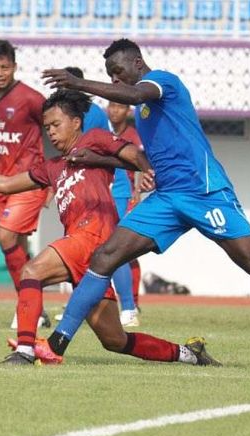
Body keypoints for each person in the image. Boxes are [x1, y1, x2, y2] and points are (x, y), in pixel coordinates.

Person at [40, 38, 250, 377]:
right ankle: (56, 345)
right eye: (110, 75)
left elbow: (133, 95)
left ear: (137, 62)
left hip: (205, 192)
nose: (116, 81)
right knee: (105, 256)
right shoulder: (144, 109)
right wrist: (100, 158)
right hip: (167, 198)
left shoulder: (162, 82)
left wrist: (78, 83)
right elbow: (152, 158)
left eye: (118, 72)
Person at [0, 89, 220, 367]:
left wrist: (147, 170)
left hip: (92, 237)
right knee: (115, 340)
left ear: (76, 122)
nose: (51, 132)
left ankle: (24, 351)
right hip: (85, 252)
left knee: (31, 270)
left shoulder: (93, 139)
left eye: (56, 124)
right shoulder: (52, 166)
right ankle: (188, 354)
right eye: (47, 127)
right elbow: (5, 183)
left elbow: (129, 152)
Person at [0, 39, 50, 329]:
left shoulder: (31, 98)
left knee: (4, 236)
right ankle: (36, 310)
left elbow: (58, 126)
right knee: (17, 244)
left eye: (4, 67)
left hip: (29, 181)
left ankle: (26, 306)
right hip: (2, 185)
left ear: (14, 67)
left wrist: (53, 178)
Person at [61, 66, 140, 327]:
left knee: (111, 248)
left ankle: (128, 307)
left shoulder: (89, 113)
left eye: (67, 87)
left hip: (109, 186)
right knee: (88, 247)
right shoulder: (79, 112)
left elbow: (88, 152)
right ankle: (82, 304)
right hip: (90, 187)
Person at [107, 100, 144, 324]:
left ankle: (131, 305)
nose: (114, 110)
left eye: (119, 107)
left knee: (121, 251)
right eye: (111, 106)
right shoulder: (104, 129)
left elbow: (140, 163)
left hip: (124, 195)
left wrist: (137, 194)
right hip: (109, 192)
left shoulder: (133, 135)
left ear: (128, 111)